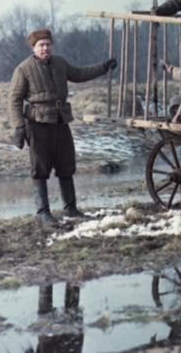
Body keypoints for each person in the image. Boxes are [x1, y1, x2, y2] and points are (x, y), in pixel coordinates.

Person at [10, 29, 116, 225]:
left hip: (61, 121)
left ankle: (71, 208)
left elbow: (79, 73)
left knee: (66, 165)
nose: (45, 48)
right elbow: (15, 99)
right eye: (41, 45)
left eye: (48, 44)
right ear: (33, 48)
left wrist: (103, 67)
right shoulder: (23, 69)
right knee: (40, 168)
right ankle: (43, 212)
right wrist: (19, 127)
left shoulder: (60, 63)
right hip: (37, 123)